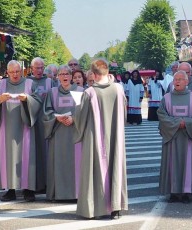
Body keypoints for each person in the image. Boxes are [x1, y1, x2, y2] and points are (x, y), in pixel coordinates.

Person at [73, 58, 128, 219]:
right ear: (106, 72)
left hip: (94, 138)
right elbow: (123, 113)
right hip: (115, 136)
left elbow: (80, 117)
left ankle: (96, 209)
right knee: (115, 167)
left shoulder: (89, 92)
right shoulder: (118, 89)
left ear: (94, 75)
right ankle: (116, 208)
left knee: (96, 169)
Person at [0, 60, 42, 202]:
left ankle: (28, 190)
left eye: (17, 71)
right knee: (8, 157)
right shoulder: (1, 84)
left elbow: (38, 101)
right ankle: (9, 190)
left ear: (21, 71)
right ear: (7, 72)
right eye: (12, 72)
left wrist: (27, 99)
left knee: (27, 157)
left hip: (25, 127)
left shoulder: (29, 84)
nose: (15, 74)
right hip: (6, 128)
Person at [157, 70, 192, 203]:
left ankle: (186, 192)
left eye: (180, 79)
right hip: (172, 137)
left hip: (188, 137)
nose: (176, 82)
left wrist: (187, 123)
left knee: (188, 163)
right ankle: (173, 192)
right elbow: (161, 114)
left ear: (187, 81)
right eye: (175, 79)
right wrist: (178, 123)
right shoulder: (166, 98)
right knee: (172, 163)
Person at [43, 65, 84, 201]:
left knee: (75, 164)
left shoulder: (79, 91)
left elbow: (84, 112)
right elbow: (47, 112)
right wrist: (56, 117)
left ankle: (76, 193)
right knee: (58, 163)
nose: (65, 76)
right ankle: (57, 193)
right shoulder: (52, 92)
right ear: (58, 77)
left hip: (75, 134)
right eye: (61, 74)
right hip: (58, 133)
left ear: (72, 76)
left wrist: (74, 118)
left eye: (67, 74)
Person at [27, 57, 52, 193]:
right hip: (31, 122)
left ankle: (47, 182)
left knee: (45, 153)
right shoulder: (27, 82)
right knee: (31, 154)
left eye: (42, 67)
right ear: (31, 68)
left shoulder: (49, 82)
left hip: (45, 122)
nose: (40, 70)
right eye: (37, 68)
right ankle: (32, 183)